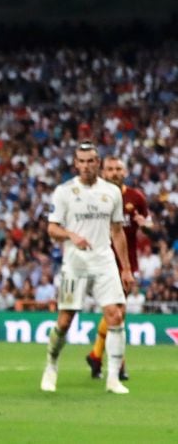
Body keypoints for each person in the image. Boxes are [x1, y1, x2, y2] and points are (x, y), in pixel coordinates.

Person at [42, 142, 135, 394]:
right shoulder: (64, 191)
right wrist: (71, 235)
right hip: (75, 265)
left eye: (90, 161)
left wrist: (125, 268)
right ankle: (51, 365)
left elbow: (117, 232)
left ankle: (113, 378)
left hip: (104, 262)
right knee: (65, 320)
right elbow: (52, 229)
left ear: (98, 163)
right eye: (81, 161)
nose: (85, 165)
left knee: (115, 315)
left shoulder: (112, 192)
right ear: (75, 164)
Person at [85, 156, 152, 380]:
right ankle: (119, 365)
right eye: (110, 169)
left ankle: (96, 355)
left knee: (118, 313)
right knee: (115, 313)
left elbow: (149, 225)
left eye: (118, 169)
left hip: (126, 262)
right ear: (103, 172)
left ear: (125, 172)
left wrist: (146, 225)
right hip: (101, 261)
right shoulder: (93, 196)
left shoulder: (136, 197)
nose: (114, 172)